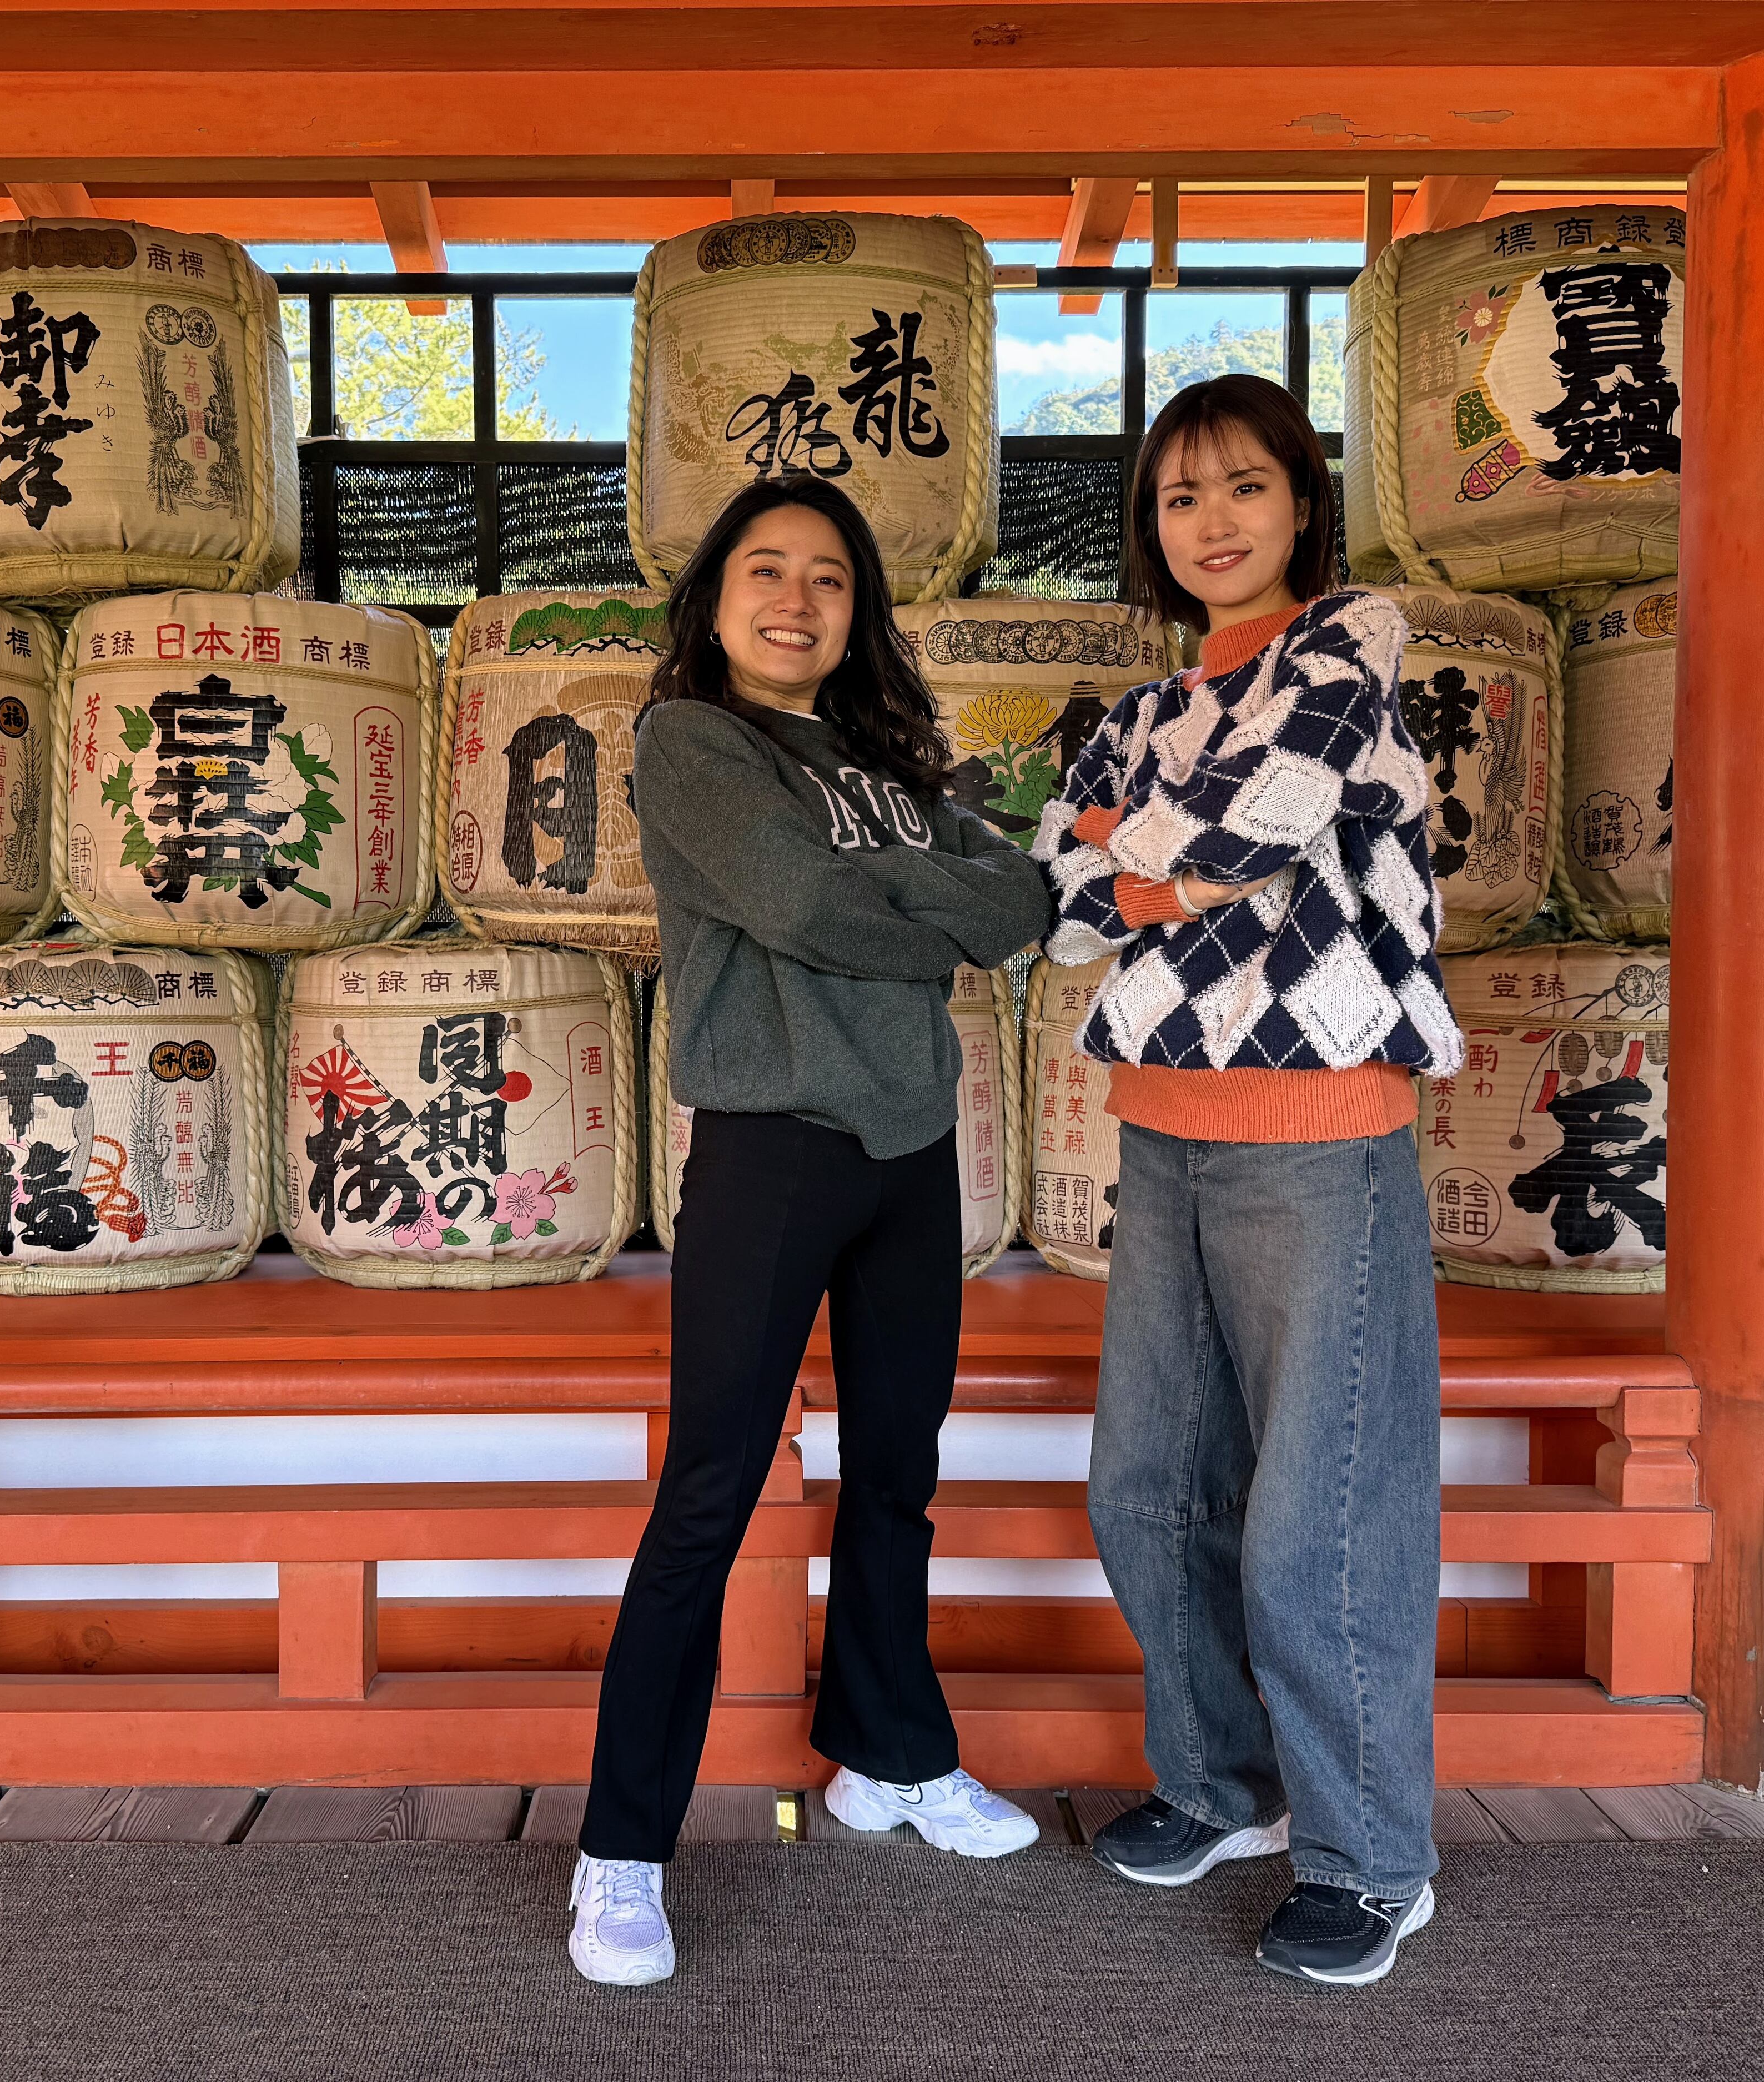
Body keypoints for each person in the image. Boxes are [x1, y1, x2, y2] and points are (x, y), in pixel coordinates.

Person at [566, 476, 1055, 1988]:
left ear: (860, 612)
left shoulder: (885, 762)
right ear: (714, 600)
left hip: (911, 1151)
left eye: (829, 579)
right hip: (773, 1151)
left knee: (898, 1476)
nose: (797, 600)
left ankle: (887, 1757)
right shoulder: (690, 742)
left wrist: (910, 879)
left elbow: (1024, 895)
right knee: (709, 1493)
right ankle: (622, 1854)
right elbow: (799, 904)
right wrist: (932, 888)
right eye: (765, 572)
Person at [1036, 373, 1463, 1988]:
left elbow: (1252, 824)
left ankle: (1373, 1860)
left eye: (1244, 490)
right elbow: (1063, 894)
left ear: (1303, 505)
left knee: (1320, 1524)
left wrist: (1141, 851)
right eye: (1177, 499)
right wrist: (1142, 856)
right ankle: (1221, 1787)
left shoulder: (1351, 651)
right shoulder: (1143, 707)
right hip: (1168, 1127)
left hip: (1323, 1132)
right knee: (1150, 1484)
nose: (1211, 524)